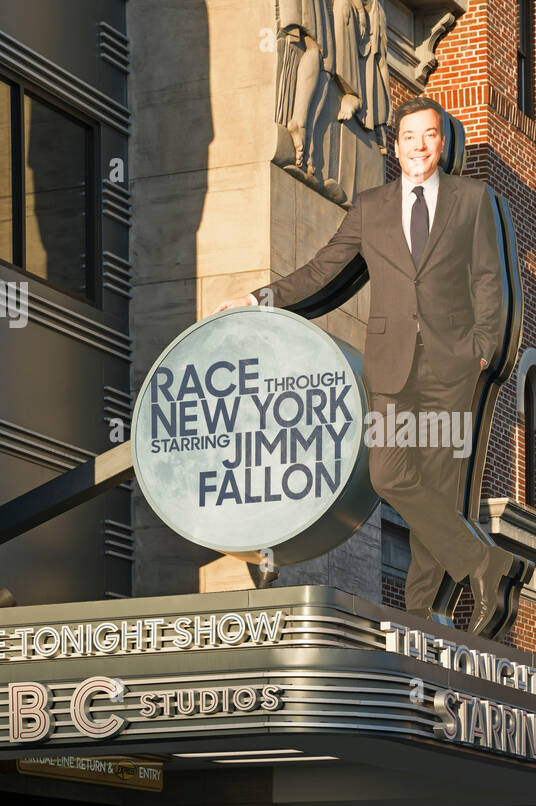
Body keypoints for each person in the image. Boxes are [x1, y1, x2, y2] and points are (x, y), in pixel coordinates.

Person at [217, 95, 517, 633]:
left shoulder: (472, 200)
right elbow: (322, 270)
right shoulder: (370, 207)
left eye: (428, 135)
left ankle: (421, 616)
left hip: (452, 364)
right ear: (395, 146)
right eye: (408, 137)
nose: (419, 146)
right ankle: (485, 564)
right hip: (393, 363)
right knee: (389, 472)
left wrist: (482, 350)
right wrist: (259, 299)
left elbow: (488, 281)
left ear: (441, 142)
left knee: (439, 486)